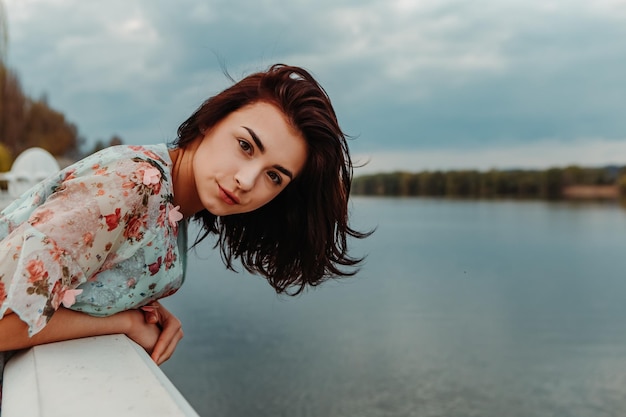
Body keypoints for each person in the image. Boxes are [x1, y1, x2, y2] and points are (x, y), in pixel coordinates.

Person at [0, 64, 369, 405]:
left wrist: (139, 303)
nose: (246, 180)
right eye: (245, 145)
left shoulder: (170, 202)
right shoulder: (132, 185)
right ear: (211, 121)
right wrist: (121, 321)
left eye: (274, 176)